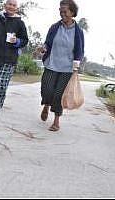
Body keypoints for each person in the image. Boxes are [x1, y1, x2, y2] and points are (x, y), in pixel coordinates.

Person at [37, 0, 84, 131]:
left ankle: (56, 121)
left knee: (59, 94)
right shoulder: (54, 27)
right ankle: (46, 105)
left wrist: (76, 65)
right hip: (51, 64)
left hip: (67, 68)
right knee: (46, 89)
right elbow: (48, 43)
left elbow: (80, 50)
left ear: (72, 13)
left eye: (65, 11)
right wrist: (43, 48)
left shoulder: (78, 31)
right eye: (60, 11)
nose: (62, 13)